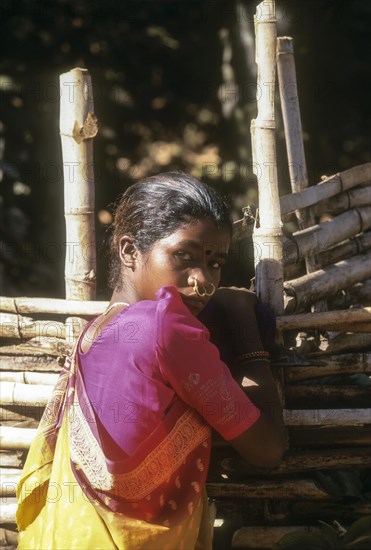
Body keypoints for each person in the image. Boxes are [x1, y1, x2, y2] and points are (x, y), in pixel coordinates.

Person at [16, 172, 285, 549]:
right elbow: (268, 448)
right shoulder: (164, 326)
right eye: (184, 257)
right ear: (129, 251)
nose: (203, 280)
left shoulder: (94, 335)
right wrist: (246, 332)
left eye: (216, 263)